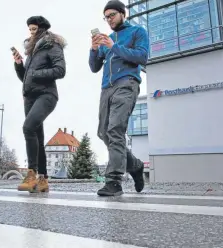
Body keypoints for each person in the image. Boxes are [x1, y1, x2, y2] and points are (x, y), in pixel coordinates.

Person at [89, 0, 149, 196]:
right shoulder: (107, 38)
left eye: (112, 15)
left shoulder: (137, 32)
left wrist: (114, 46)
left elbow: (141, 57)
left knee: (115, 129)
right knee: (103, 133)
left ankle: (114, 181)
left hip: (127, 83)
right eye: (106, 17)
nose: (109, 20)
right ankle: (135, 165)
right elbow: (94, 67)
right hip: (107, 87)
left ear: (123, 13)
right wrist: (94, 49)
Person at [12, 16, 67, 193]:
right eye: (29, 29)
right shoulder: (32, 51)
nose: (31, 32)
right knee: (38, 136)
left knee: (28, 127)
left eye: (34, 29)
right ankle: (43, 180)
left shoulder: (52, 45)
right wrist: (19, 65)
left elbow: (61, 70)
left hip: (47, 95)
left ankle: (32, 174)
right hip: (29, 97)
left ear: (42, 29)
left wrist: (36, 72)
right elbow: (25, 79)